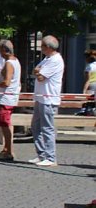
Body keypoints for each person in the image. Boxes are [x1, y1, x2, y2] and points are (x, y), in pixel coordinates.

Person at [30, 35, 64, 167]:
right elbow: (36, 71)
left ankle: (51, 157)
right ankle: (42, 154)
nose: (41, 48)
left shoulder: (55, 60)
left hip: (48, 98)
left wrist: (38, 72)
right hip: (40, 97)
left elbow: (41, 77)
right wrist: (38, 72)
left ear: (48, 47)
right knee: (35, 127)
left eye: (43, 46)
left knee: (47, 128)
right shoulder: (46, 59)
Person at [0, 39, 21, 161]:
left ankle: (8, 150)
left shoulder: (9, 63)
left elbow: (7, 82)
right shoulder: (14, 61)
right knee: (4, 123)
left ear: (4, 50)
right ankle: (7, 148)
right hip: (7, 96)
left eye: (0, 50)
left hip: (6, 97)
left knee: (5, 124)